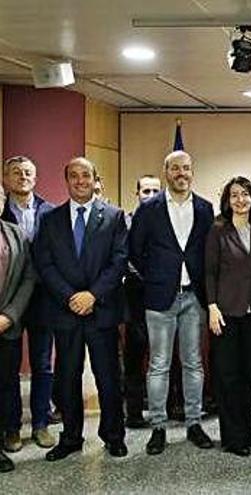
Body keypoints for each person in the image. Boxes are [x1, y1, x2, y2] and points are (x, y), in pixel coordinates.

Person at [34, 157, 128, 461]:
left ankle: (113, 436)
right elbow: (44, 264)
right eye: (73, 176)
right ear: (67, 181)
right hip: (65, 312)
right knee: (67, 378)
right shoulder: (50, 220)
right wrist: (70, 297)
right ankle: (71, 437)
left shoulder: (113, 217)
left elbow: (119, 261)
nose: (80, 181)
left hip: (101, 311)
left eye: (85, 175)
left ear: (94, 178)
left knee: (108, 377)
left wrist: (93, 295)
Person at [129, 150, 215, 455]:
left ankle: (194, 422)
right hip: (159, 297)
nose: (182, 173)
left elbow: (208, 251)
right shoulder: (149, 209)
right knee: (159, 366)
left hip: (194, 297)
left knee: (193, 363)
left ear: (193, 172)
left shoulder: (205, 208)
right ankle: (158, 428)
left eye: (187, 168)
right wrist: (156, 277)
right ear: (166, 172)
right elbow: (135, 251)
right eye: (176, 168)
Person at [205, 177, 251, 457]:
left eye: (245, 194)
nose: (240, 200)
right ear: (227, 200)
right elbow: (209, 271)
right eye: (234, 195)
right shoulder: (218, 230)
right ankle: (233, 438)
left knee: (249, 375)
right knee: (227, 376)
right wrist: (211, 306)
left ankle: (248, 431)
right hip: (226, 312)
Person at [0, 156, 57, 452]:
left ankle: (41, 423)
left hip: (42, 299)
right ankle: (11, 428)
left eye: (28, 173)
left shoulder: (50, 212)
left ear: (35, 178)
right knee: (7, 369)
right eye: (16, 173)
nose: (23, 177)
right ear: (5, 179)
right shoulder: (1, 210)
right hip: (8, 301)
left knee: (42, 364)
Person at [0, 179, 37, 472]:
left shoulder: (17, 234)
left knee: (7, 383)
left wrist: (10, 315)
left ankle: (8, 432)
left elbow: (28, 277)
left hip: (6, 324)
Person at [122, 174, 162, 428]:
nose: (150, 196)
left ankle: (169, 406)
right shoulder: (124, 222)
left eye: (155, 191)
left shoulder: (168, 221)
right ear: (137, 194)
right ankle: (134, 411)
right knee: (135, 356)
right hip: (135, 298)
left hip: (164, 297)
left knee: (166, 356)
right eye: (145, 191)